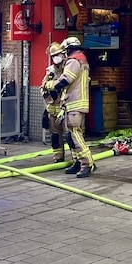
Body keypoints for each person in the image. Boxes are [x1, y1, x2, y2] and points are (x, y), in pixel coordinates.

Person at [45, 35, 95, 177]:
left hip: (74, 102)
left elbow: (66, 80)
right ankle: (78, 162)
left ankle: (87, 164)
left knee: (75, 133)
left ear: (68, 49)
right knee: (71, 135)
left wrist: (51, 85)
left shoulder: (73, 61)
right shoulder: (82, 60)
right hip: (75, 103)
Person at [41, 41, 69, 163]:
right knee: (55, 135)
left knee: (70, 135)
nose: (55, 58)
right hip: (52, 107)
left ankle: (77, 159)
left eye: (57, 54)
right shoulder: (50, 70)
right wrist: (46, 92)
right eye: (53, 56)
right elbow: (43, 86)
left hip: (66, 107)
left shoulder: (69, 68)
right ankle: (58, 157)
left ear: (63, 54)